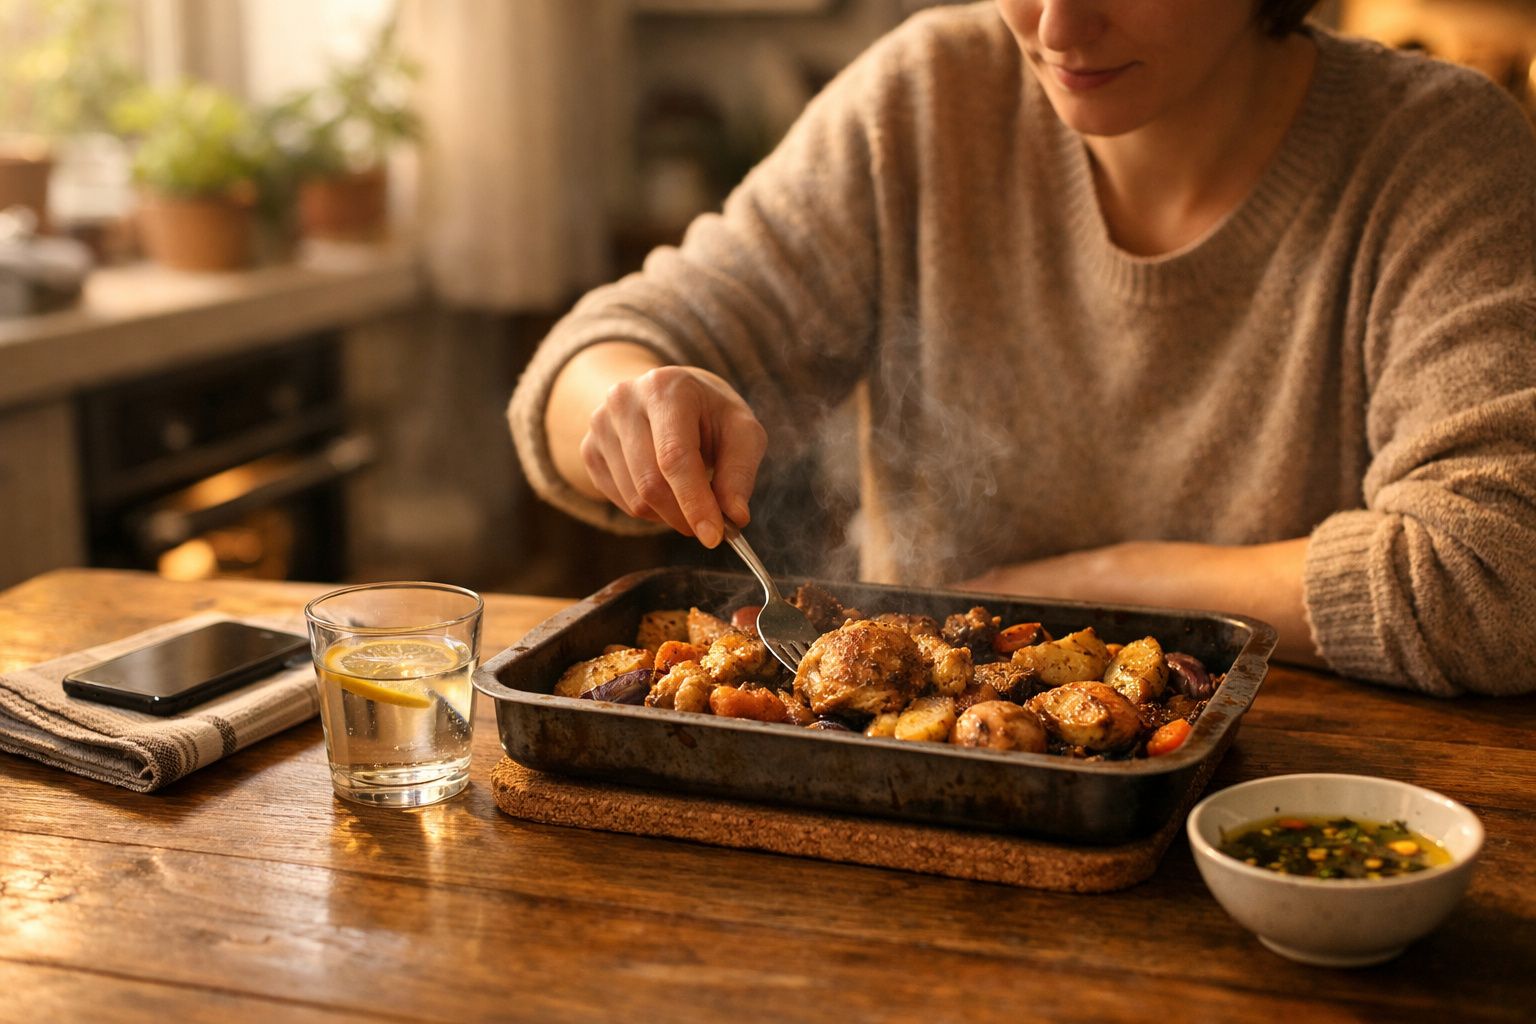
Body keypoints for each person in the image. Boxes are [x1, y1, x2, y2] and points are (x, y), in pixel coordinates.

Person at [509, 0, 1536, 698]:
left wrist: (1079, 587)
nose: (1054, 25)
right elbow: (593, 358)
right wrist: (633, 397)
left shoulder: (1438, 157)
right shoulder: (929, 97)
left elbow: (1498, 575)